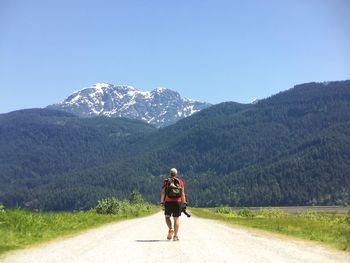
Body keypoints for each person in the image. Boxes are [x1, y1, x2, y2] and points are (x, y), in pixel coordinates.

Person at [160, 168, 186, 241]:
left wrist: (162, 202)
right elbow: (182, 194)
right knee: (176, 219)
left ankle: (171, 229)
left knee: (167, 217)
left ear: (170, 173)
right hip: (177, 202)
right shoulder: (180, 182)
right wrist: (184, 203)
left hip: (168, 202)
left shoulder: (166, 181)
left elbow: (163, 193)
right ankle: (175, 236)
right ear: (176, 174)